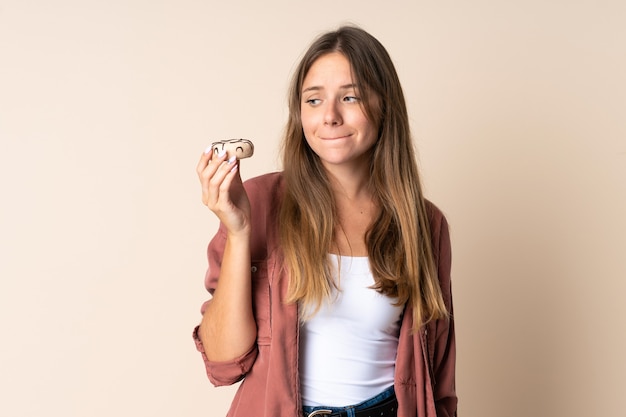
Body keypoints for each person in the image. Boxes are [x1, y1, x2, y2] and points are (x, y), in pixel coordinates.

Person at [193, 25, 458, 417]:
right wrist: (239, 231)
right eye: (313, 100)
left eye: (349, 97)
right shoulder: (260, 203)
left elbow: (439, 376)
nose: (330, 116)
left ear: (384, 105)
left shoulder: (423, 223)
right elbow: (223, 360)